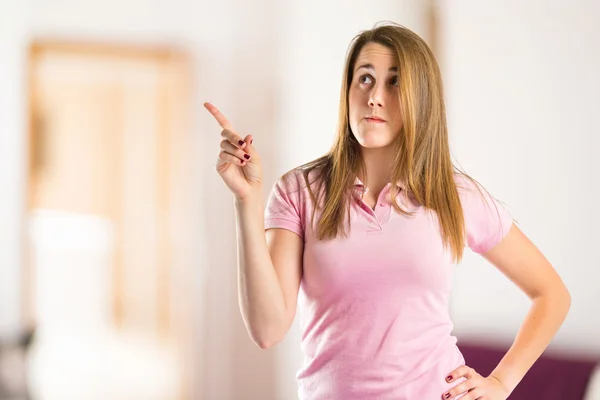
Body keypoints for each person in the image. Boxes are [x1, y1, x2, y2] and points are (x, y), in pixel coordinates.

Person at [204, 22, 571, 400]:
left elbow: (551, 294)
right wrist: (246, 201)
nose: (375, 97)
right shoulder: (300, 191)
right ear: (347, 92)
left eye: (394, 83)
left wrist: (501, 382)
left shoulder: (454, 195)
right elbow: (267, 330)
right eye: (365, 78)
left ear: (420, 98)